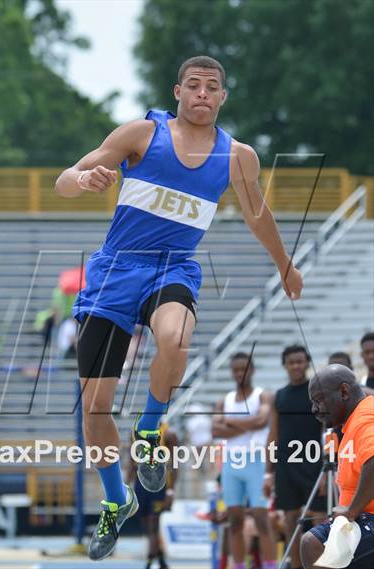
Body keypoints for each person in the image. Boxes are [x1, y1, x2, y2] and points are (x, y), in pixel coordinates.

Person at [55, 54, 303, 561]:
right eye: (194, 86)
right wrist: (83, 182)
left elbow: (258, 216)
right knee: (95, 412)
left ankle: (148, 430)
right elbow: (66, 177)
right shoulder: (141, 135)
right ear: (177, 92)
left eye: (213, 87)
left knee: (175, 339)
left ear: (223, 97)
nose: (203, 95)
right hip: (114, 274)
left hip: (173, 269)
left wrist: (285, 264)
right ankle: (115, 501)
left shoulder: (238, 156)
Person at [301, 364, 374, 569]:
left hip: (367, 519)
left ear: (343, 391)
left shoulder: (366, 419)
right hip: (363, 519)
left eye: (318, 400)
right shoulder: (355, 420)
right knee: (313, 542)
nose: (314, 409)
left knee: (313, 543)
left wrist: (351, 511)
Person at [212, 352, 277, 569]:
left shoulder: (262, 396)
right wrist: (247, 424)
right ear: (232, 372)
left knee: (261, 519)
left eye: (245, 368)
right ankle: (239, 565)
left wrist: (230, 421)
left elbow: (262, 422)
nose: (240, 373)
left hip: (256, 460)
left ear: (253, 370)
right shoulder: (225, 399)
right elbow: (215, 430)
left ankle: (269, 566)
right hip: (232, 462)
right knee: (235, 522)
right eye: (236, 369)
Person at [264, 345, 326, 569]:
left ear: (307, 363)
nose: (296, 366)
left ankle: (320, 566)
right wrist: (267, 474)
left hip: (314, 463)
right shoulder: (279, 396)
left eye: (300, 361)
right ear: (285, 365)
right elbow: (272, 435)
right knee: (291, 520)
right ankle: (296, 565)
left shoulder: (317, 391)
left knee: (320, 519)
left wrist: (327, 468)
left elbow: (326, 431)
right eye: (292, 362)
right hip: (286, 466)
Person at [127, 422, 178, 569]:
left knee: (153, 523)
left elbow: (174, 464)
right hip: (140, 482)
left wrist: (171, 490)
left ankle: (149, 561)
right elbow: (132, 460)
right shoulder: (135, 432)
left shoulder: (169, 434)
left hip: (160, 483)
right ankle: (161, 559)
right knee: (145, 523)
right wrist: (126, 485)